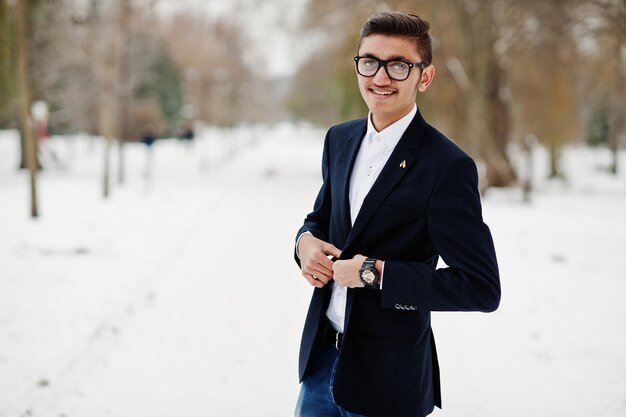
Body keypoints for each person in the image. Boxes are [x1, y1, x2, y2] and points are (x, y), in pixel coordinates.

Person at [294, 11, 501, 417]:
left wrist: (376, 273)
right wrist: (304, 244)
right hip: (320, 362)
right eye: (370, 62)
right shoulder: (339, 139)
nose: (381, 77)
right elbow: (320, 219)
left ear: (424, 77)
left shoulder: (447, 166)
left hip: (388, 382)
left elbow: (481, 287)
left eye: (399, 65)